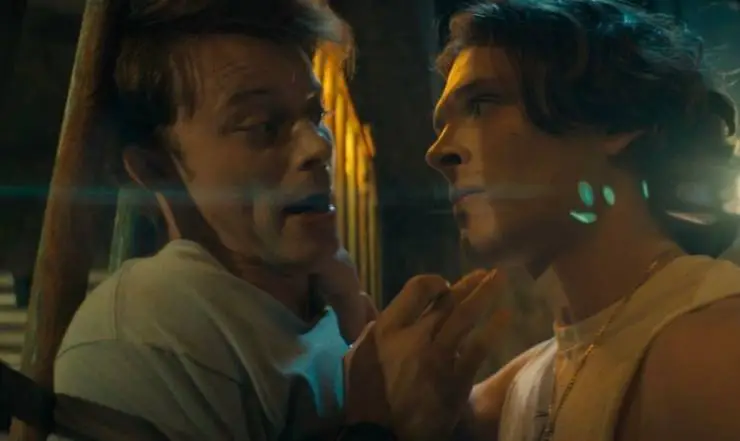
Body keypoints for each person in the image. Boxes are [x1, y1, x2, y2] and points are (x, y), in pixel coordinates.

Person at [50, 1, 385, 439]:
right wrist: (383, 421)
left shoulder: (322, 298)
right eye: (262, 125)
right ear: (157, 170)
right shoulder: (154, 333)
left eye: (315, 115)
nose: (318, 146)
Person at [415, 1, 740, 440]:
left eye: (481, 104)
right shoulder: (523, 385)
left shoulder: (716, 348)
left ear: (615, 119)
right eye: (441, 124)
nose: (437, 152)